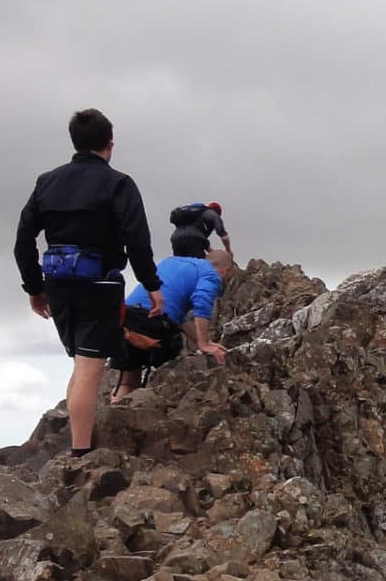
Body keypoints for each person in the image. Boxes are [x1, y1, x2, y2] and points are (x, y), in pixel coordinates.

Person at [13, 108, 163, 457]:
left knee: (81, 364)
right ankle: (80, 453)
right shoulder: (118, 184)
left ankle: (80, 442)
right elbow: (137, 239)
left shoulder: (46, 182)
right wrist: (151, 284)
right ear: (109, 144)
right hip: (100, 285)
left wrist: (35, 288)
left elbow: (23, 240)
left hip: (58, 285)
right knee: (88, 367)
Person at [112, 248, 236, 400]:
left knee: (127, 381)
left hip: (126, 318)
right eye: (228, 278)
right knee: (172, 365)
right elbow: (202, 303)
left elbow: (180, 319)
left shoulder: (172, 261)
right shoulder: (212, 275)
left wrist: (201, 340)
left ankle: (117, 413)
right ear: (226, 270)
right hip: (154, 323)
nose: (225, 282)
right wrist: (204, 345)